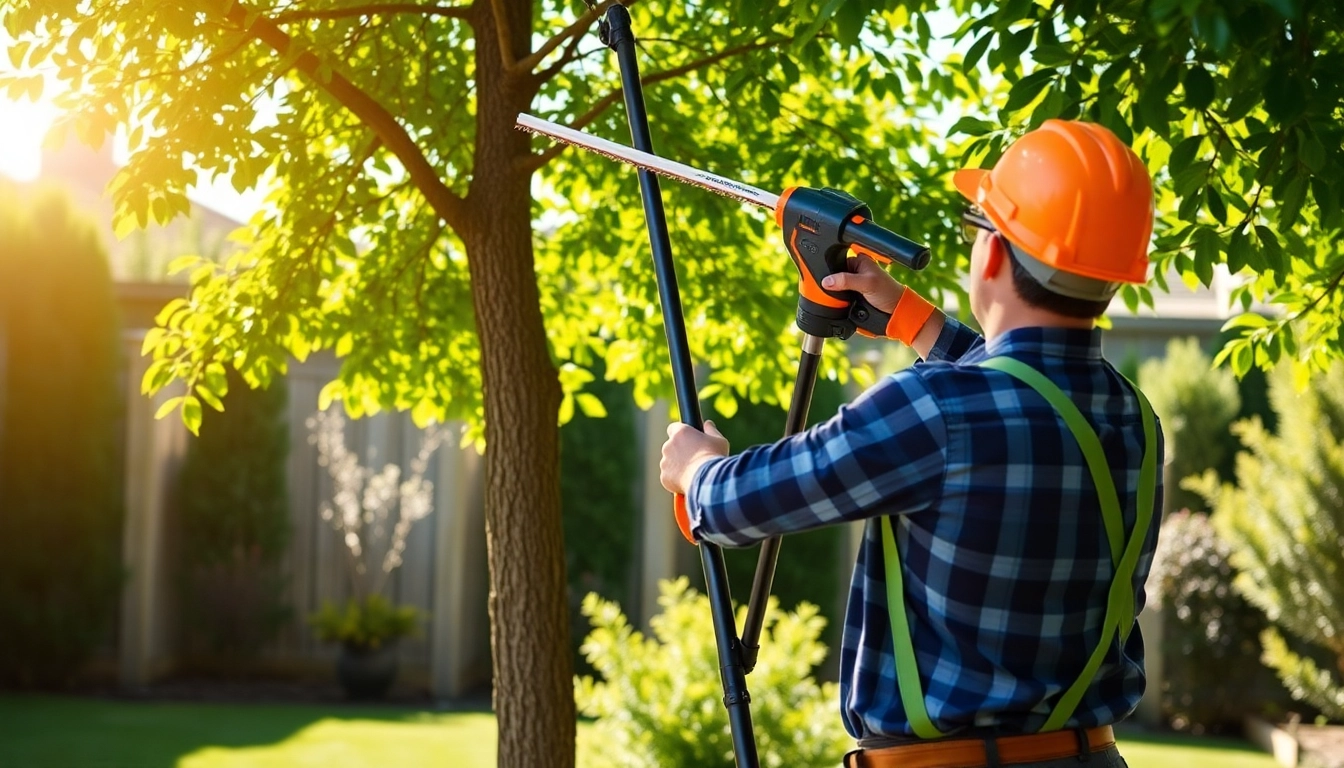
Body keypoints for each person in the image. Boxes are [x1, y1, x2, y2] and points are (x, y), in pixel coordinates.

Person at [660, 119, 1164, 768]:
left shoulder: (934, 411)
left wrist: (698, 469)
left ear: (994, 254)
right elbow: (1026, 393)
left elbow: (739, 506)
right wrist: (908, 316)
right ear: (1112, 276)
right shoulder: (1132, 418)